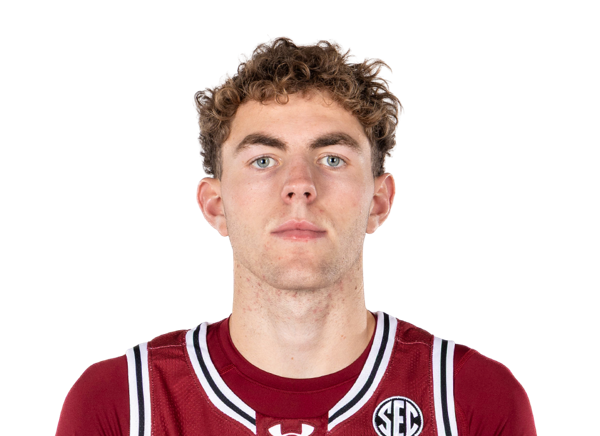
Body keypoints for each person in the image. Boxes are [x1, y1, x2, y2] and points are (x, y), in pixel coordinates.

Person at [56, 37, 536, 436]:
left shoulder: (469, 400)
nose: (300, 184)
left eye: (332, 159)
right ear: (215, 205)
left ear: (378, 201)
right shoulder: (122, 404)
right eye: (264, 159)